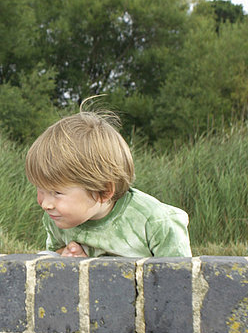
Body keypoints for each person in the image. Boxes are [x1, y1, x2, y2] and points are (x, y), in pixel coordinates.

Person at [25, 101, 191, 258]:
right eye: (40, 189)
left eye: (57, 192)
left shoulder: (155, 221)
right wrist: (66, 255)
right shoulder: (57, 217)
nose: (45, 203)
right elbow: (56, 250)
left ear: (103, 192)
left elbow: (178, 277)